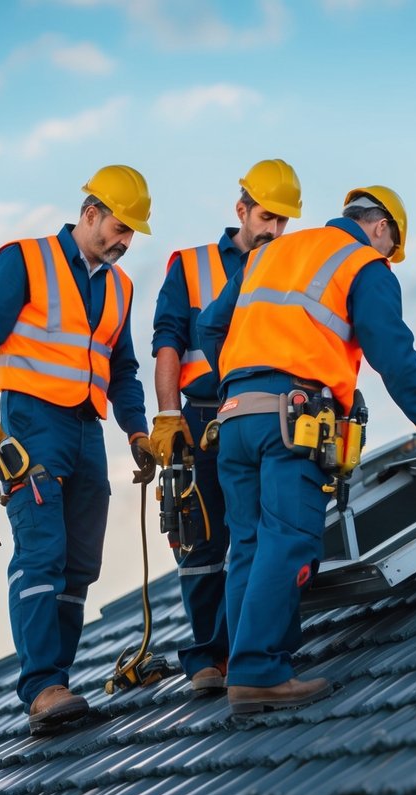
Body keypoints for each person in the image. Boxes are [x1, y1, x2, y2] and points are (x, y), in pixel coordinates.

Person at [197, 185, 416, 714]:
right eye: (390, 247)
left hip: (233, 418)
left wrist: (242, 380)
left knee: (249, 546)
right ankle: (259, 673)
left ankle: (245, 668)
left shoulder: (272, 253)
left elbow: (210, 325)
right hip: (291, 422)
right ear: (382, 229)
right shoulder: (362, 263)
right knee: (290, 540)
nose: (387, 257)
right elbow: (393, 355)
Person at [0, 165, 157, 735]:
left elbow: (122, 369)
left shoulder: (119, 287)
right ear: (90, 212)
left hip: (85, 430)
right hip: (31, 423)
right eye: (120, 227)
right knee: (41, 552)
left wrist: (136, 430)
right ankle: (41, 685)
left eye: (132, 234)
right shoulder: (23, 260)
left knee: (80, 564)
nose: (125, 242)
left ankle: (59, 681)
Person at [148, 159, 303, 694]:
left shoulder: (287, 266)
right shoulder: (190, 266)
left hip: (261, 410)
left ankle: (249, 652)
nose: (275, 231)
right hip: (201, 413)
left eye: (284, 221)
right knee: (201, 541)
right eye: (266, 217)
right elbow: (167, 340)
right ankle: (207, 657)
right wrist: (168, 416)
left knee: (258, 536)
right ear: (241, 210)